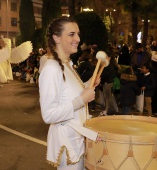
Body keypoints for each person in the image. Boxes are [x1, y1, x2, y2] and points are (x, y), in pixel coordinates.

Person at [39, 16, 101, 170]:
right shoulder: (52, 69)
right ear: (56, 38)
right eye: (72, 34)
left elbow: (68, 94)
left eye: (78, 34)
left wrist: (88, 84)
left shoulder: (67, 65)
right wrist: (82, 99)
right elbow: (48, 114)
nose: (78, 39)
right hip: (67, 144)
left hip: (77, 141)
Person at [99, 52, 119, 116]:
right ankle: (114, 109)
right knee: (110, 97)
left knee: (108, 98)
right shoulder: (109, 65)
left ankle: (108, 110)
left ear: (109, 58)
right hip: (108, 83)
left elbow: (105, 75)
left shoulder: (109, 66)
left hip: (108, 83)